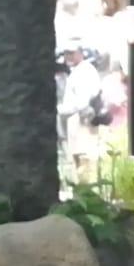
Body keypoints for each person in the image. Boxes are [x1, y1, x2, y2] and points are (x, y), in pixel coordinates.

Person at [57, 41, 104, 184]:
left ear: (80, 53)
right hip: (76, 127)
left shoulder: (85, 71)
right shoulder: (76, 72)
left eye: (71, 53)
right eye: (66, 53)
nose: (68, 56)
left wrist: (60, 109)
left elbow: (81, 102)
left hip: (84, 125)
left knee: (85, 168)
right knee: (78, 168)